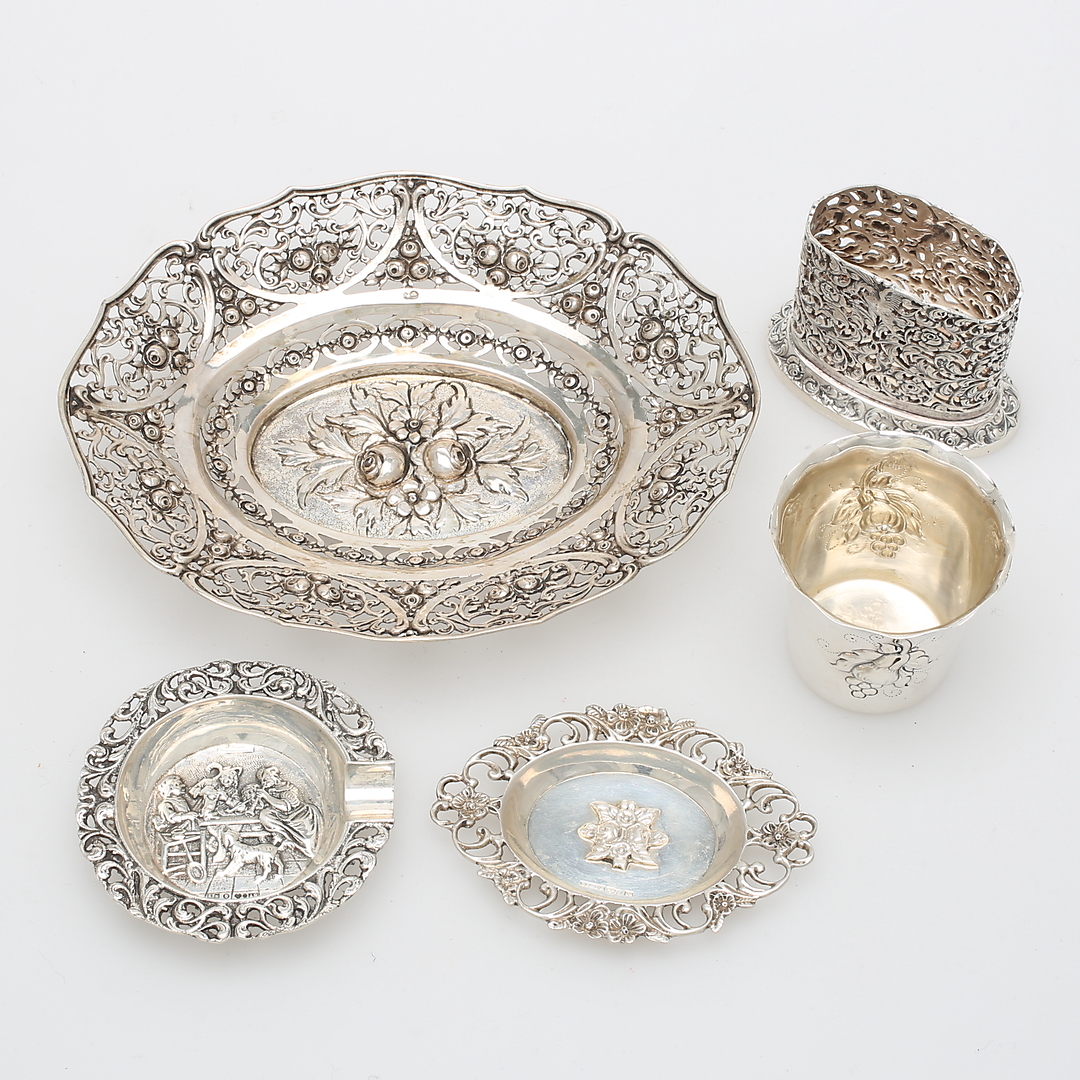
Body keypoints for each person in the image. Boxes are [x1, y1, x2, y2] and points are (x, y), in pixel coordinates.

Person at [243, 764, 321, 859]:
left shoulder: (287, 788)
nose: (264, 783)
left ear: (274, 777)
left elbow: (285, 807)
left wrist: (266, 796)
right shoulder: (272, 789)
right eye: (262, 781)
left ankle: (285, 837)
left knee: (305, 841)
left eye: (266, 779)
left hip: (299, 816)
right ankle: (279, 835)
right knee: (265, 814)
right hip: (284, 816)